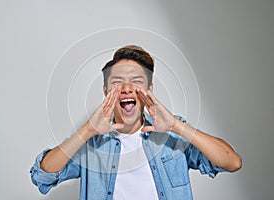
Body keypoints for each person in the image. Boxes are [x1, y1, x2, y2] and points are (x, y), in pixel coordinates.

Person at [30, 45, 242, 200]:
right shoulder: (91, 144)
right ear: (105, 91)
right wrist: (87, 131)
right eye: (117, 82)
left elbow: (231, 162)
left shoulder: (173, 136)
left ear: (149, 89)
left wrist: (176, 126)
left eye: (137, 81)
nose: (127, 88)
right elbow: (43, 175)